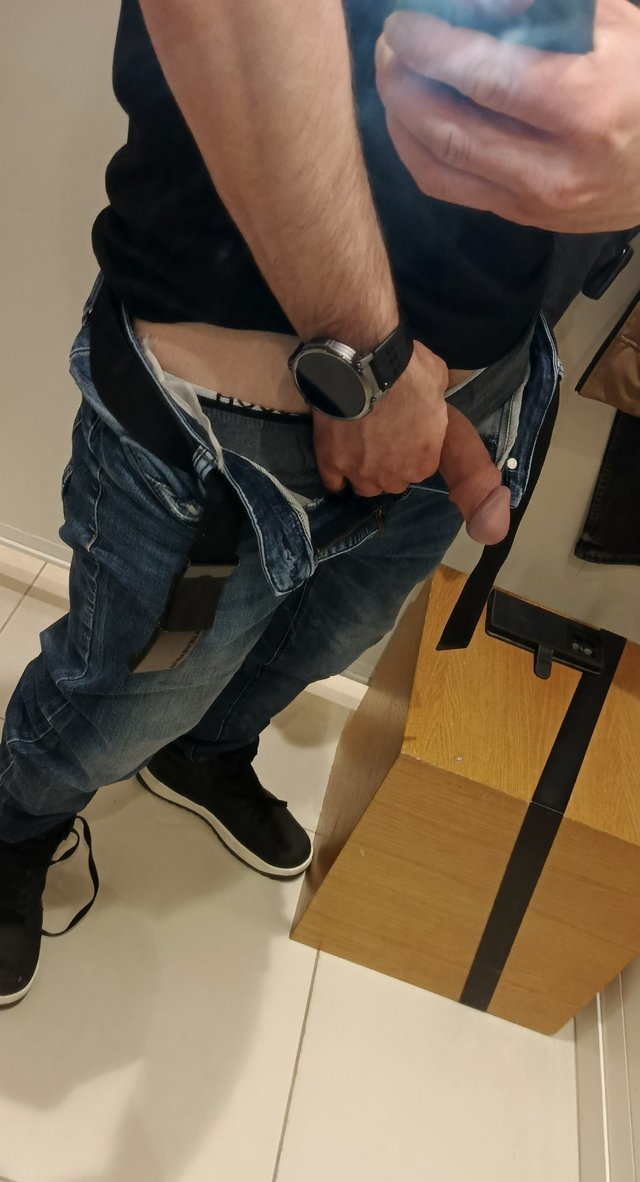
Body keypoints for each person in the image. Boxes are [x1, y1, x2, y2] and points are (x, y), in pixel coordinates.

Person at [0, 0, 638, 1009]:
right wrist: (368, 372)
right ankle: (16, 825)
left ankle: (206, 756)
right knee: (120, 700)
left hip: (474, 391)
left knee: (319, 643)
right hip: (220, 419)